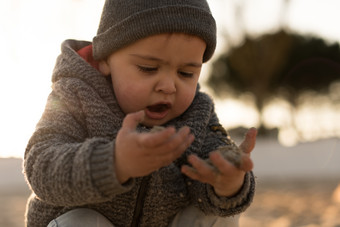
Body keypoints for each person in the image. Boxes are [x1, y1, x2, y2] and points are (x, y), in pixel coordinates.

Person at [23, 0, 257, 226]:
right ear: (104, 59)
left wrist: (228, 184)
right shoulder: (74, 96)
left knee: (216, 215)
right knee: (81, 222)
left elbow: (210, 174)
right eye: (148, 68)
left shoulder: (198, 112)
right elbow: (40, 166)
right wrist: (113, 163)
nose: (168, 86)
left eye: (186, 73)